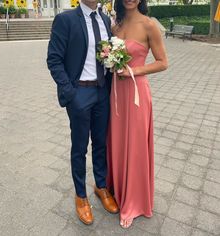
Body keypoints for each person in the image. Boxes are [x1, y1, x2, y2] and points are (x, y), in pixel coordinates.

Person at [47, 0, 119, 226]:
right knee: (79, 148)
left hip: (101, 92)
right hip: (79, 93)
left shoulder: (105, 20)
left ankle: (101, 186)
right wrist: (70, 91)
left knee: (100, 143)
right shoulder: (66, 20)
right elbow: (54, 59)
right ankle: (80, 196)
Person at [106, 0, 168, 228]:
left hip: (136, 94)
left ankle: (133, 201)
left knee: (135, 144)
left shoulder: (149, 25)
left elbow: (163, 63)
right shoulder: (115, 25)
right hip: (115, 92)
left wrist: (134, 70)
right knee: (117, 140)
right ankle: (116, 188)